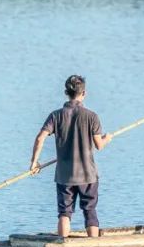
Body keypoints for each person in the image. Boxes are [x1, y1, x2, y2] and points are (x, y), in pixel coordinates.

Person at [29, 74, 110, 238]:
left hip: (64, 176)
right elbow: (99, 145)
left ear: (66, 92)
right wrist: (107, 138)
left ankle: (62, 244)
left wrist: (34, 162)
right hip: (88, 175)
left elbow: (40, 137)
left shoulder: (56, 115)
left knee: (64, 213)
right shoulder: (91, 116)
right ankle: (93, 246)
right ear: (84, 93)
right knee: (90, 211)